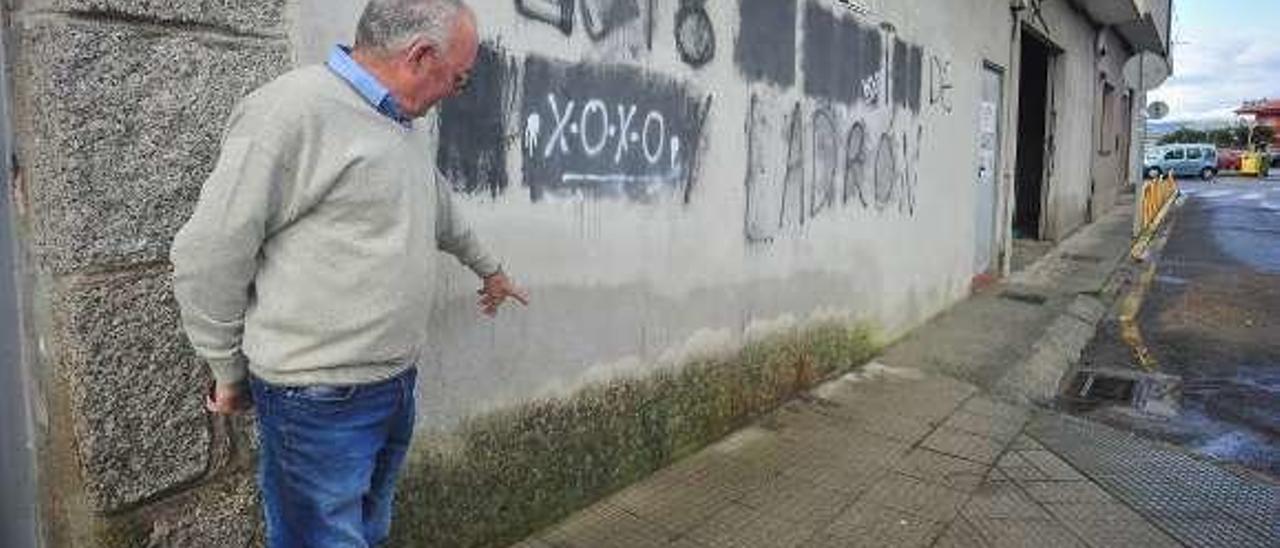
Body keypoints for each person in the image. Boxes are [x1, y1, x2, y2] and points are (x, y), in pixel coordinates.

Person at [170, 0, 527, 545]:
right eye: (458, 80)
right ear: (421, 56)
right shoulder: (291, 112)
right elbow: (209, 254)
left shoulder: (397, 123)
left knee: (368, 530)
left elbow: (441, 211)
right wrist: (227, 368)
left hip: (392, 386)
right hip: (317, 400)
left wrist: (491, 271)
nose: (454, 93)